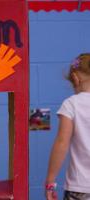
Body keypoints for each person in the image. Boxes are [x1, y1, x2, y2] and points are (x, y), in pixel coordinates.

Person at [45, 53, 90, 200]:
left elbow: (61, 143)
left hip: (80, 187)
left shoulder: (72, 104)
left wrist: (50, 182)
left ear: (76, 79)